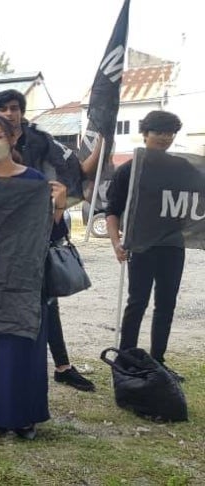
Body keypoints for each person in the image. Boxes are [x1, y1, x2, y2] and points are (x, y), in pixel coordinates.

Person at [0, 89, 98, 392]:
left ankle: (44, 385)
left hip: (27, 270)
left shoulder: (36, 168)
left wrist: (57, 205)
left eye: (14, 108)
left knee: (28, 333)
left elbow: (53, 225)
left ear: (13, 138)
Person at [0, 115, 67, 439]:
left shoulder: (35, 182)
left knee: (21, 347)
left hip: (24, 280)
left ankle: (23, 417)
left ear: (12, 139)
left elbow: (52, 233)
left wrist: (59, 209)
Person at [107, 110, 187, 381]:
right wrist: (116, 242)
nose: (164, 138)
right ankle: (127, 359)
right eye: (158, 132)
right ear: (145, 134)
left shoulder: (182, 168)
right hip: (140, 245)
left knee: (166, 303)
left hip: (173, 245)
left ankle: (158, 361)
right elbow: (113, 210)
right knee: (137, 301)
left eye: (169, 133)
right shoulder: (130, 169)